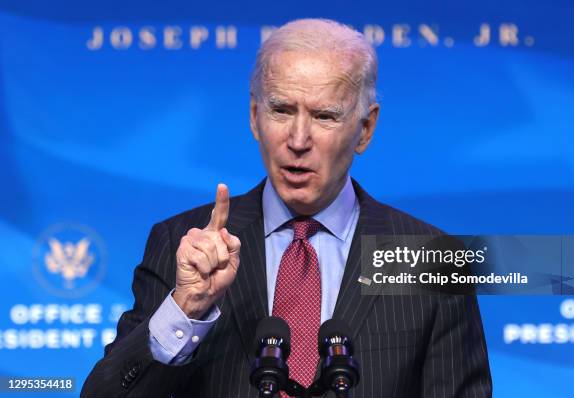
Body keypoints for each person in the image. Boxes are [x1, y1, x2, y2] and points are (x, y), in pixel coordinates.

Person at [82, 18, 492, 397]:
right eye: (281, 110)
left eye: (324, 116)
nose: (298, 139)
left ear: (365, 129)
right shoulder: (183, 245)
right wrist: (186, 307)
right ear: (255, 116)